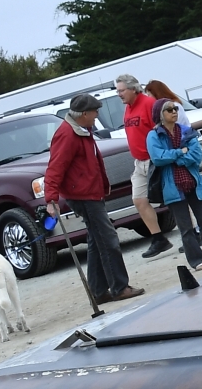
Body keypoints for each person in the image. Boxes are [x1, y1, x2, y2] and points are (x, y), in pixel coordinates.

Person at [43, 92, 144, 303]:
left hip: (89, 192)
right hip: (83, 195)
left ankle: (99, 292)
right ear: (84, 114)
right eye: (95, 111)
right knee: (107, 239)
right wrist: (51, 198)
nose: (97, 114)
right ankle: (119, 287)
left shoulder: (82, 130)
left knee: (97, 240)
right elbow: (55, 168)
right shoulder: (68, 134)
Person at [145, 99, 202, 269]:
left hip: (194, 183)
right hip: (172, 187)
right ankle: (196, 260)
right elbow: (158, 158)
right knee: (185, 228)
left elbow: (196, 156)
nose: (174, 111)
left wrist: (175, 159)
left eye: (175, 108)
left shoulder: (187, 131)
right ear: (160, 114)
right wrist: (180, 152)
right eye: (169, 109)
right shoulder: (154, 135)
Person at [113, 74, 172, 260]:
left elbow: (163, 130)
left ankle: (194, 231)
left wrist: (163, 154)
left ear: (133, 89)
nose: (119, 94)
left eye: (122, 90)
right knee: (139, 200)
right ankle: (158, 238)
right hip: (139, 162)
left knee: (174, 198)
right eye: (117, 91)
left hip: (154, 160)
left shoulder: (148, 104)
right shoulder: (128, 108)